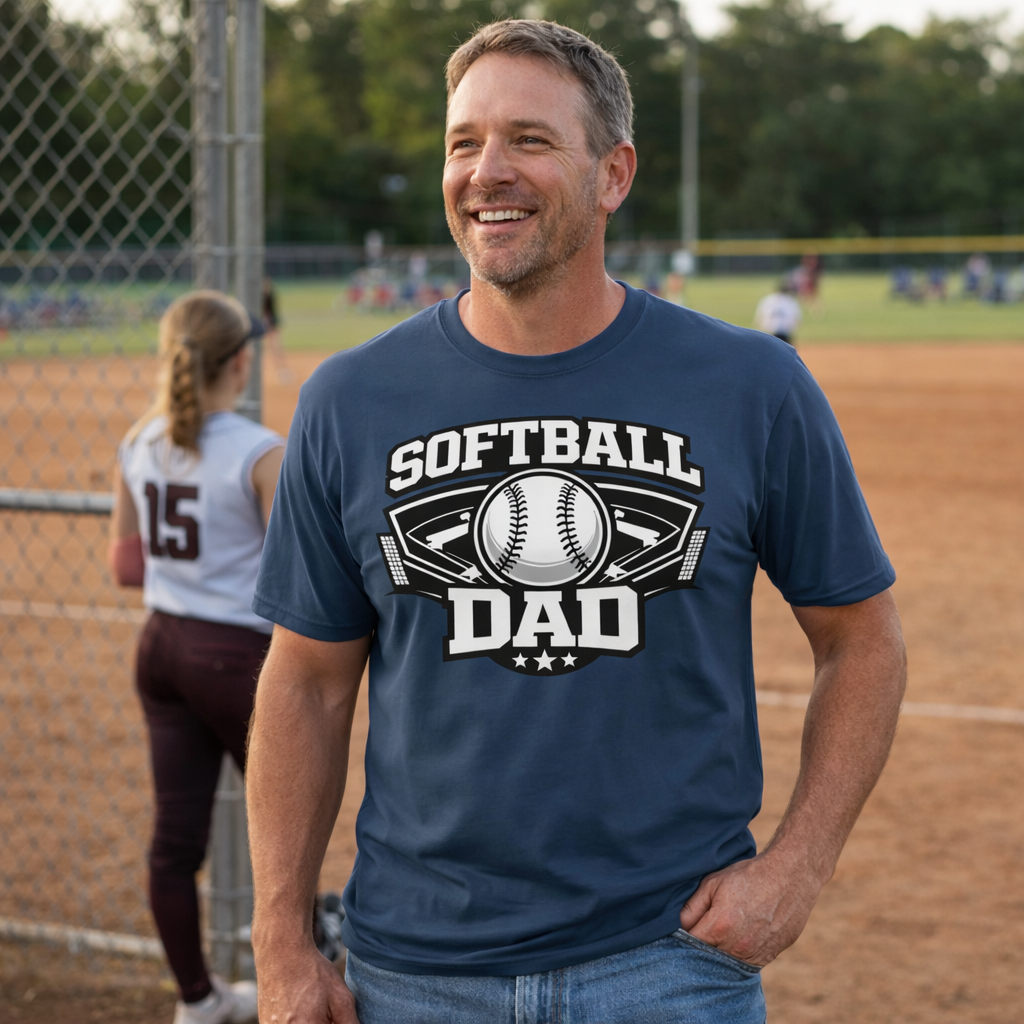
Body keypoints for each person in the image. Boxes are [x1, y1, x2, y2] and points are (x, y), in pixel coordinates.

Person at [247, 20, 906, 1024]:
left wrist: (797, 869)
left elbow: (862, 640)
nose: (486, 171)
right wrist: (281, 940)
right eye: (463, 142)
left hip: (668, 964)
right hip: (413, 970)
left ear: (613, 173)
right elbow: (305, 682)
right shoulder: (350, 398)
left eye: (529, 139)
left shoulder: (750, 384)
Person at [109, 291, 285, 1024]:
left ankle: (198, 1002)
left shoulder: (141, 440)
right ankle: (296, 987)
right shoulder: (258, 451)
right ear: (242, 362)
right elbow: (295, 580)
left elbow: (125, 566)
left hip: (161, 647)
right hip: (232, 657)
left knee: (175, 839)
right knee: (287, 834)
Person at [754, 279, 802, 345]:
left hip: (770, 333)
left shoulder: (767, 300)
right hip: (785, 334)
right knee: (788, 352)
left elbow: (758, 320)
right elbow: (797, 320)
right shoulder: (790, 301)